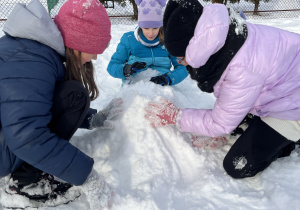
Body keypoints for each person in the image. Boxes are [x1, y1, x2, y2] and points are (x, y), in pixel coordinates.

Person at [145, 0, 300, 179]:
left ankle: (289, 142)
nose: (183, 63)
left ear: (195, 49)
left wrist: (177, 116)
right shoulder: (228, 35)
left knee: (237, 164)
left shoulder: (240, 70)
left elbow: (220, 123)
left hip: (292, 107)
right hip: (283, 89)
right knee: (237, 125)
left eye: (181, 58)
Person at [0, 0, 123, 205]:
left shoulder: (34, 49)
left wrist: (93, 118)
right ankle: (24, 183)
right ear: (77, 42)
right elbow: (26, 136)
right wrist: (87, 176)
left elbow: (35, 104)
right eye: (92, 49)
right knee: (74, 95)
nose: (93, 56)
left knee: (72, 96)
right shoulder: (32, 61)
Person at [107, 0, 188, 86]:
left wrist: (168, 78)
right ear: (140, 25)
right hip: (134, 87)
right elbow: (112, 66)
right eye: (146, 28)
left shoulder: (168, 40)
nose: (151, 33)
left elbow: (183, 67)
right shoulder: (129, 39)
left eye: (155, 28)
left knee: (161, 100)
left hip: (161, 88)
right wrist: (125, 69)